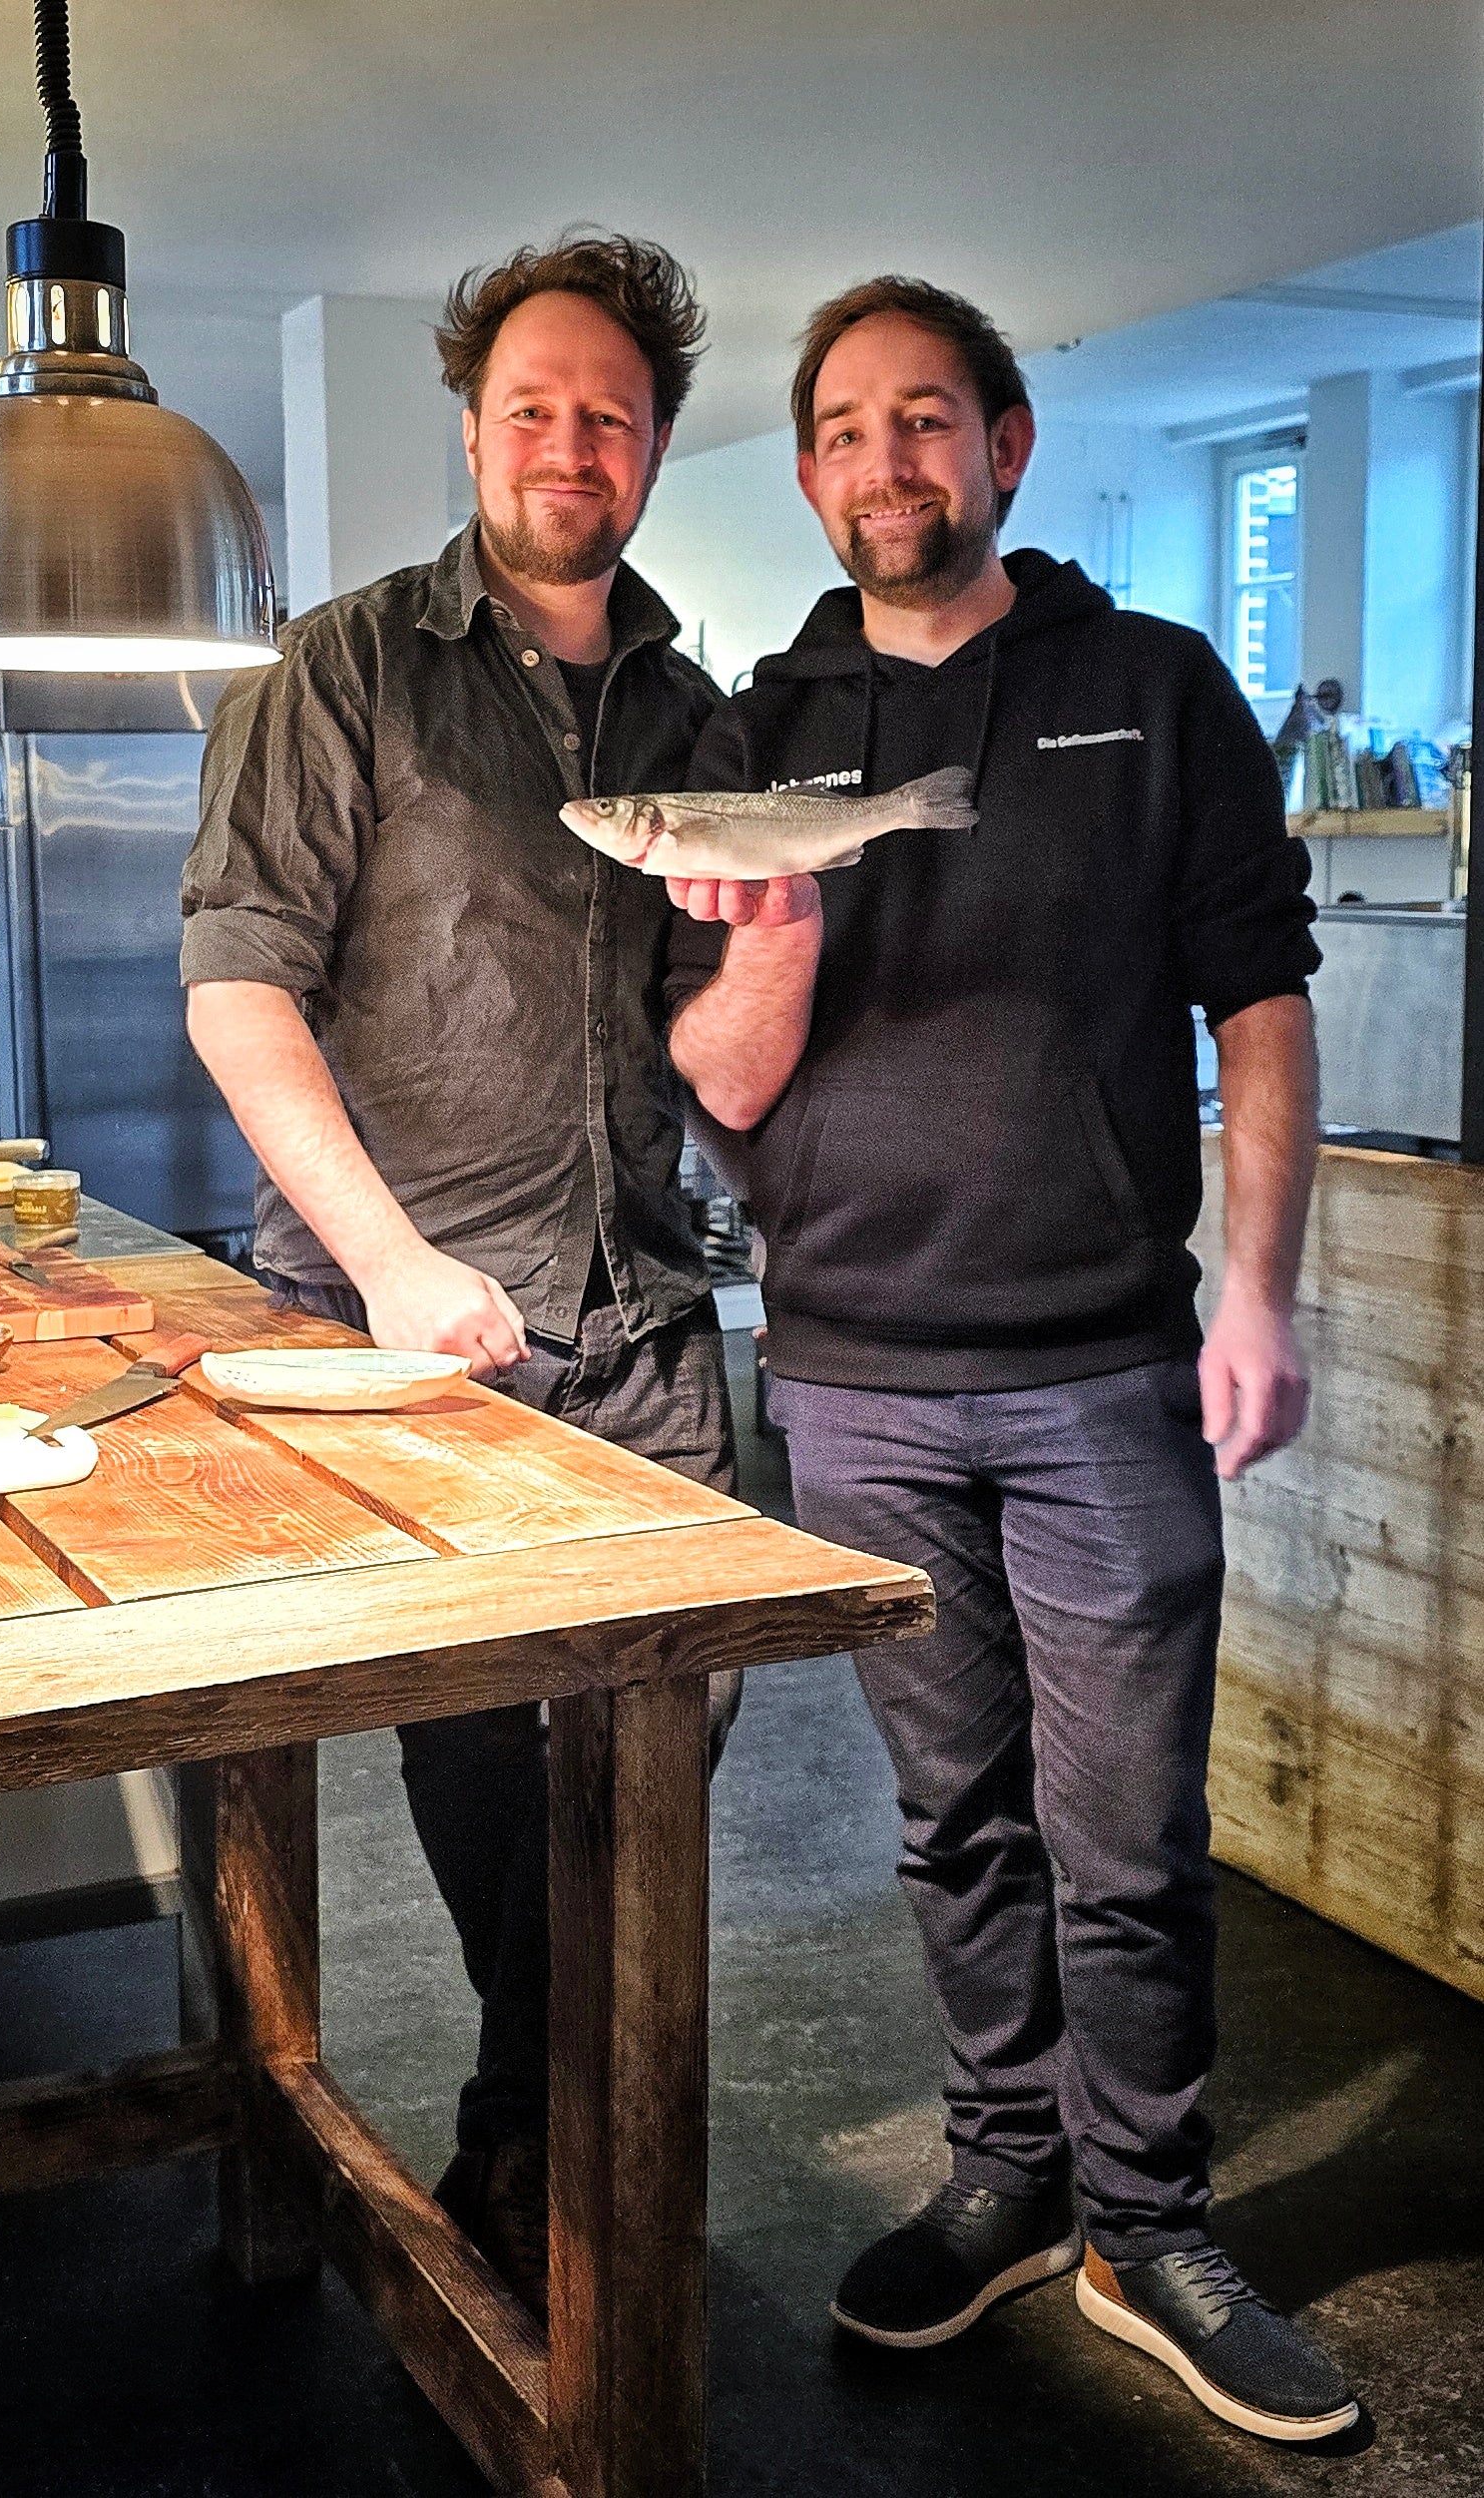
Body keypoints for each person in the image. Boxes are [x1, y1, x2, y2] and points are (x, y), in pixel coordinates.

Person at [665, 276, 1358, 2443]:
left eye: (926, 419)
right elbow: (717, 1087)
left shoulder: (1149, 691)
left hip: (1097, 1370)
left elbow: (1256, 1007)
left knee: (1125, 1825)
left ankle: (1148, 2218)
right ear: (805, 476)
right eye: (847, 430)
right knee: (952, 1822)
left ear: (1003, 445)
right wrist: (768, 940)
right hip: (854, 1369)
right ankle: (1005, 2168)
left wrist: (1256, 1291)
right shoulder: (746, 730)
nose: (887, 460)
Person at [181, 234, 739, 2322]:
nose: (566, 443)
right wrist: (390, 1264)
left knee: (657, 1762)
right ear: (473, 425)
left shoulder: (699, 707)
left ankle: (530, 2131)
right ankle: (544, 2154)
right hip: (425, 1329)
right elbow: (240, 990)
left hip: (652, 1326)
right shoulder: (345, 669)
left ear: (656, 442)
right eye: (531, 406)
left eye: (606, 411)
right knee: (489, 1757)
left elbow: (716, 1036)